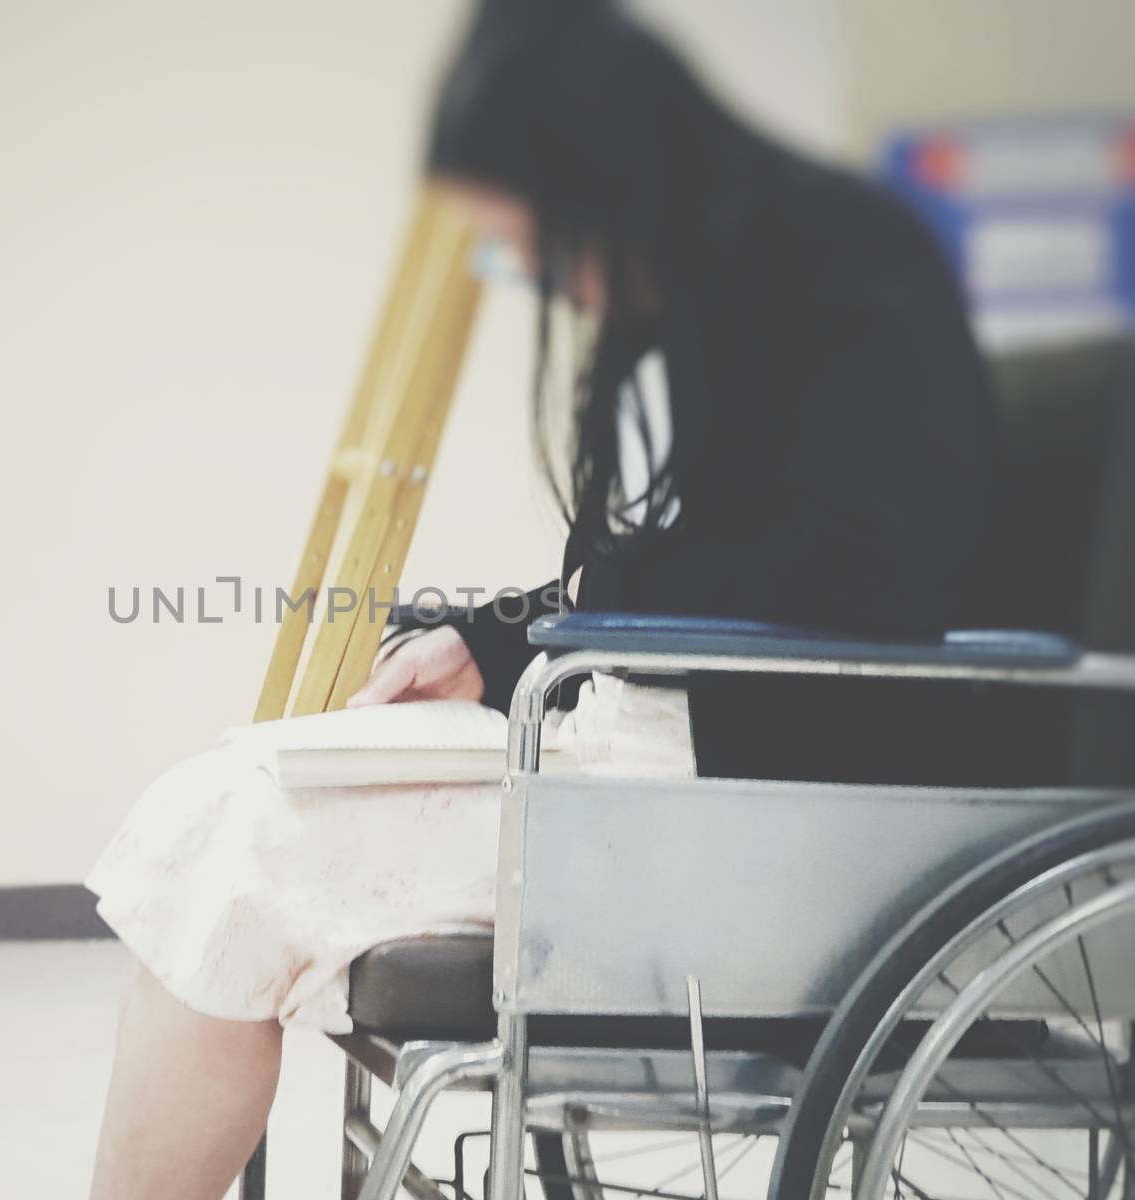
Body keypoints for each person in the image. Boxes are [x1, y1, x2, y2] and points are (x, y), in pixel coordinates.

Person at [87, 2, 994, 1196]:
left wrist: (555, 639)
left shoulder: (845, 269)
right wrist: (484, 641)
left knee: (236, 847)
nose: (534, 270)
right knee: (208, 801)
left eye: (531, 232)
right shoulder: (693, 283)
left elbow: (853, 579)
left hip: (768, 806)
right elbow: (649, 565)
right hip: (649, 748)